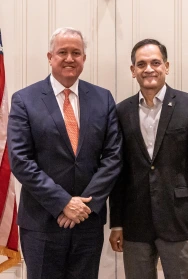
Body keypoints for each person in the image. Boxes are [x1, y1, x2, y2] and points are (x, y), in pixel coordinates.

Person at [7, 27, 122, 279]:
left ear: (84, 58)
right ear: (50, 57)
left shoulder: (103, 99)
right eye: (62, 52)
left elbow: (113, 157)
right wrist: (63, 202)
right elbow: (20, 160)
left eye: (76, 53)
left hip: (88, 222)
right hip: (42, 224)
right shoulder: (25, 100)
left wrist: (83, 206)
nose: (70, 58)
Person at [109, 38, 188, 279]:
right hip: (134, 224)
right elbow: (118, 174)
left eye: (155, 62)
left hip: (178, 222)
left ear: (166, 66)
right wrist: (116, 223)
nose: (148, 69)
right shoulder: (120, 111)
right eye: (141, 63)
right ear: (132, 70)